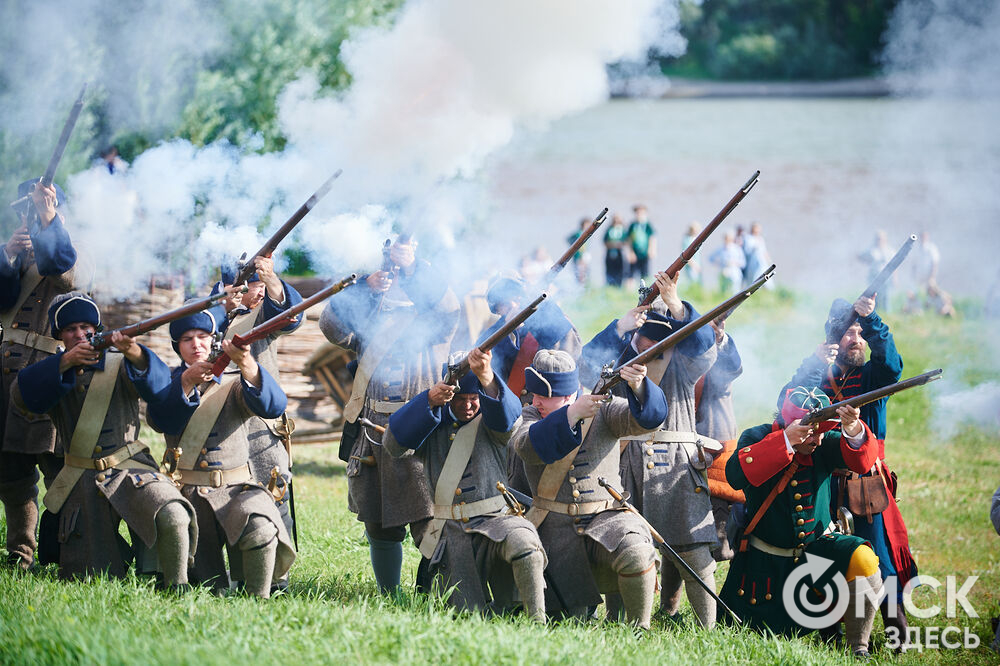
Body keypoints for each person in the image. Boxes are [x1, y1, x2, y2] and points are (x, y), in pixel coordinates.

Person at [11, 292, 195, 584]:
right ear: (59, 335)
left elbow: (160, 388)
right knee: (90, 577)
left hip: (131, 468)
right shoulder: (54, 370)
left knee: (172, 513)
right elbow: (23, 397)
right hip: (81, 480)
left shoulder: (121, 363)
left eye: (86, 327)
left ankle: (176, 584)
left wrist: (135, 353)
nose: (80, 334)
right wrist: (65, 362)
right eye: (71, 329)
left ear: (96, 329)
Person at [319, 234, 460, 594]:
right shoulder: (369, 315)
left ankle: (437, 592)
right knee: (378, 523)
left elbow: (449, 308)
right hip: (372, 432)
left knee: (431, 520)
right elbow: (331, 327)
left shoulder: (433, 321)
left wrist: (412, 269)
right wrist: (363, 290)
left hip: (421, 433)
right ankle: (389, 594)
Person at [581, 271, 721, 628]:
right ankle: (618, 620)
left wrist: (676, 304)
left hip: (676, 467)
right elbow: (584, 369)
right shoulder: (620, 357)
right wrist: (618, 328)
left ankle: (707, 630)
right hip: (625, 463)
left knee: (693, 550)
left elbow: (705, 346)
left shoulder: (684, 360)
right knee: (621, 542)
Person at [782, 294, 916, 642]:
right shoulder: (819, 376)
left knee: (879, 556)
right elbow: (788, 400)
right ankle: (829, 629)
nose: (856, 339)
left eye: (859, 333)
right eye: (848, 332)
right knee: (824, 554)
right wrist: (814, 363)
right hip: (823, 483)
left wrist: (872, 321)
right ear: (833, 338)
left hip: (864, 483)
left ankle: (895, 629)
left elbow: (892, 366)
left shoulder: (872, 376)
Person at [720, 387, 884, 658]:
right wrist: (784, 441)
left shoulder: (825, 442)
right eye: (811, 431)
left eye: (821, 431)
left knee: (864, 561)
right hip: (766, 566)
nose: (818, 439)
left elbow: (862, 461)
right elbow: (735, 476)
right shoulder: (757, 437)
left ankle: (858, 647)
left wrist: (853, 427)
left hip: (817, 552)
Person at [383, 348, 546, 620]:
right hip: (450, 530)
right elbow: (393, 445)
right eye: (461, 399)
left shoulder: (493, 420)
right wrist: (428, 401)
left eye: (474, 399)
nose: (469, 406)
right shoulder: (431, 420)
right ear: (449, 395)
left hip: (496, 519)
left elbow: (510, 419)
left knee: (526, 545)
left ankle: (537, 620)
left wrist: (487, 376)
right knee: (466, 615)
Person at [511, 349, 667, 629]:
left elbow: (649, 420)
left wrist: (639, 387)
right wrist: (571, 415)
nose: (535, 401)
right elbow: (527, 446)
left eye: (543, 395)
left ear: (567, 394)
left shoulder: (605, 409)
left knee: (637, 551)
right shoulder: (531, 415)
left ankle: (639, 630)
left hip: (607, 519)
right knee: (565, 624)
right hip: (554, 529)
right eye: (534, 394)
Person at [147, 307, 295, 597]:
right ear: (177, 346)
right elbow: (160, 420)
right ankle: (179, 590)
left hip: (235, 489)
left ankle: (259, 600)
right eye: (187, 339)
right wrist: (187, 382)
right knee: (203, 582)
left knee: (261, 528)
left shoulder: (236, 380)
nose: (196, 344)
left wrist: (247, 363)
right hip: (187, 490)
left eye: (203, 336)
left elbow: (274, 406)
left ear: (214, 339)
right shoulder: (168, 382)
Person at [0, 178, 84, 570]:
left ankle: (68, 552)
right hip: (6, 376)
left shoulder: (74, 250)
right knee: (11, 473)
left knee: (58, 469)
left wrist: (49, 225)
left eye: (35, 211)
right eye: (26, 212)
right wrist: (7, 255)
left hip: (51, 373)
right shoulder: (13, 257)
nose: (28, 219)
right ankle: (21, 552)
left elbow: (66, 277)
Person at [211, 256, 304, 581]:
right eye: (254, 284)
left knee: (274, 493)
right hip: (215, 428)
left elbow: (289, 316)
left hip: (259, 427)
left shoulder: (261, 316)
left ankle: (276, 576)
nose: (260, 291)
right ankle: (220, 573)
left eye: (262, 284)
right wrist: (224, 304)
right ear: (231, 287)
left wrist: (272, 280)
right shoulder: (206, 317)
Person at [478, 272, 582, 495]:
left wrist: (536, 320)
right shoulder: (496, 334)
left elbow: (569, 357)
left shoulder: (552, 322)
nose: (511, 307)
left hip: (551, 421)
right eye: (503, 305)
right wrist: (510, 331)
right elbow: (483, 367)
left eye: (514, 299)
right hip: (513, 427)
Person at [696, 319, 744, 563]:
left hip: (716, 454)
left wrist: (720, 340)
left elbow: (733, 367)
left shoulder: (715, 363)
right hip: (680, 452)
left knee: (721, 544)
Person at [857, 231, 893, 313]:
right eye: (878, 239)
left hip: (886, 277)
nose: (879, 241)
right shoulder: (871, 250)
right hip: (874, 276)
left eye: (881, 239)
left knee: (886, 297)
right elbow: (862, 257)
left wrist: (895, 278)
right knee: (873, 296)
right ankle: (874, 313)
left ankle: (887, 313)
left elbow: (894, 265)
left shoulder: (889, 250)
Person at [627, 205, 656, 283]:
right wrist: (631, 252)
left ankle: (645, 288)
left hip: (645, 253)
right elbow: (629, 239)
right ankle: (630, 288)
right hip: (635, 253)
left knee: (645, 274)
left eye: (641, 213)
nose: (639, 215)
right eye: (637, 213)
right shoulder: (633, 225)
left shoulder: (647, 225)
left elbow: (652, 238)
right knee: (631, 274)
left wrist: (652, 250)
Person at [603, 215, 630, 287]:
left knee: (620, 271)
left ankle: (619, 286)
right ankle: (610, 285)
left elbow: (627, 241)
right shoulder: (609, 229)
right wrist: (614, 245)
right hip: (610, 254)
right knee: (610, 271)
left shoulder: (623, 230)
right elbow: (605, 241)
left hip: (620, 254)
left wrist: (619, 245)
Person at [741, 223, 770, 289]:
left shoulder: (760, 239)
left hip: (761, 261)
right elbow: (747, 250)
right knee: (754, 277)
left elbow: (764, 250)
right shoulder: (748, 238)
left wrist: (768, 259)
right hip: (752, 261)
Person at [566, 218, 592, 285]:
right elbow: (568, 239)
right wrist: (573, 247)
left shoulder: (587, 233)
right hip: (579, 256)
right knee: (579, 273)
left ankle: (585, 285)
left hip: (584, 255)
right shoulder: (579, 233)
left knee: (585, 272)